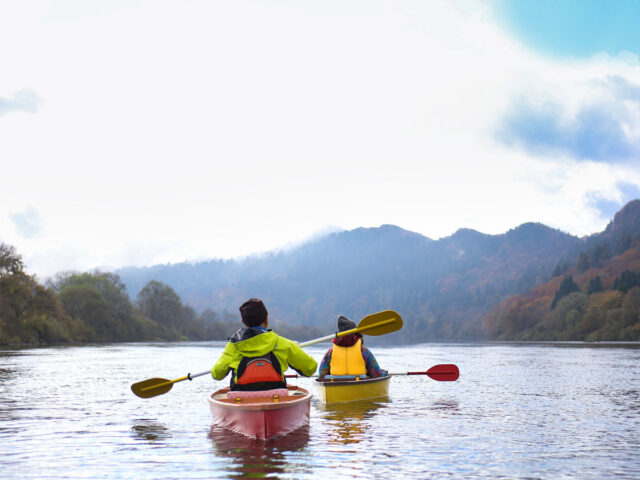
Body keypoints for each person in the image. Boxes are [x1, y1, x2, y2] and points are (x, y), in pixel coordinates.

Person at [212, 298, 317, 391]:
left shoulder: (234, 345)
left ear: (243, 321)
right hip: (276, 396)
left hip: (241, 397)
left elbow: (217, 374)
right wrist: (295, 348)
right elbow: (310, 368)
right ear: (266, 318)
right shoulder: (283, 343)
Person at [318, 315, 388, 379]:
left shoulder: (330, 352)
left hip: (335, 384)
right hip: (359, 383)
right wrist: (384, 373)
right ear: (356, 334)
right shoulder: (364, 351)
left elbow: (322, 375)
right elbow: (375, 374)